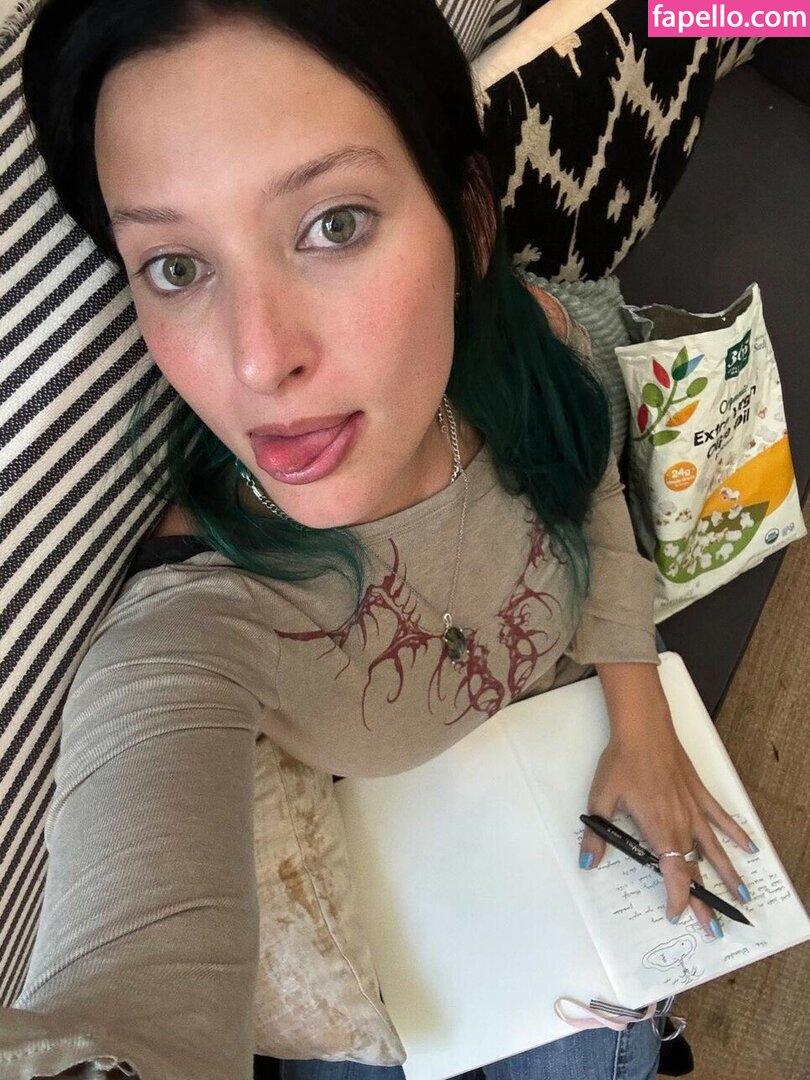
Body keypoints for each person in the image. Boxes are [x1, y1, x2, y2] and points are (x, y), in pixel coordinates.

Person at [6, 1, 756, 1077]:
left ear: (469, 219)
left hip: (567, 795)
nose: (259, 361)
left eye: (334, 224)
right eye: (175, 266)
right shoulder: (192, 629)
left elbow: (589, 475)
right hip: (401, 943)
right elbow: (126, 993)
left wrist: (640, 716)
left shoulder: (525, 345)